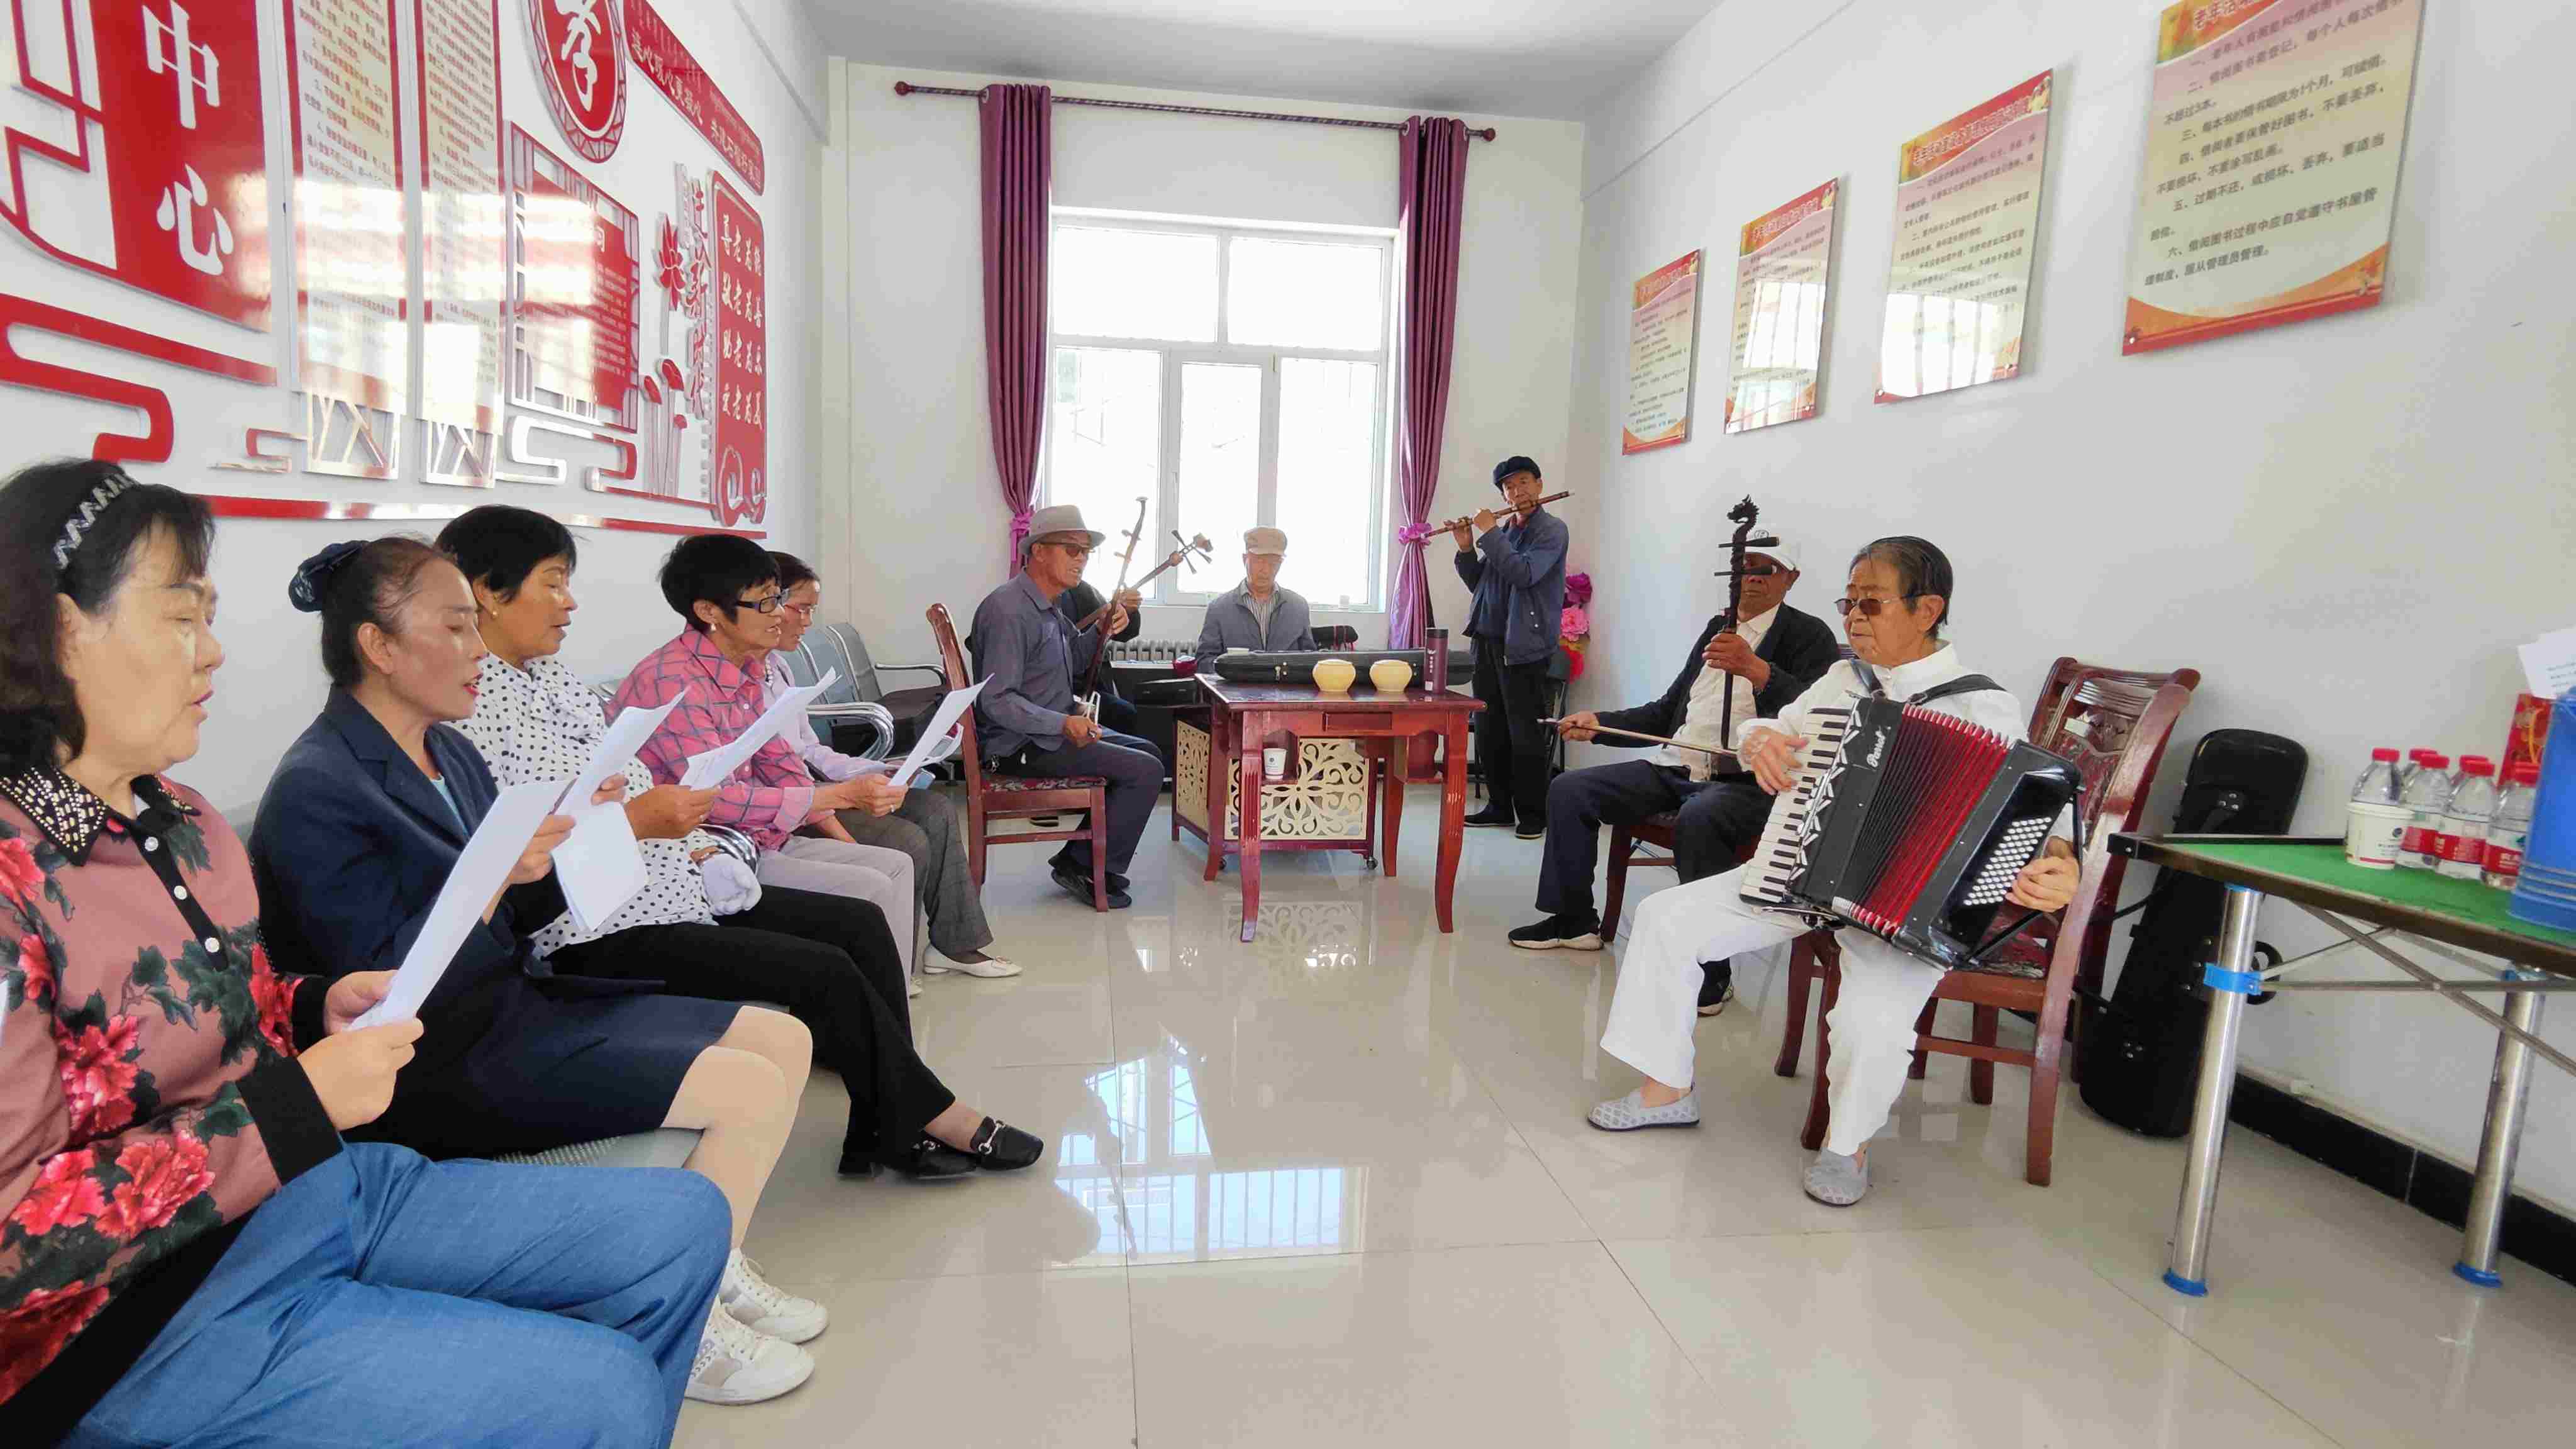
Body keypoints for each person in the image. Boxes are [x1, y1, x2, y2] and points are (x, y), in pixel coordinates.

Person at [0, 460, 729, 1446]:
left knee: (682, 1225)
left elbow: (222, 1010)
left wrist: (312, 1005)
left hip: (304, 1191)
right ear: (56, 632)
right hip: (135, 1324)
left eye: (210, 616)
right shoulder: (14, 874)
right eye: (180, 617)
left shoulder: (183, 820)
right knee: (601, 1390)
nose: (213, 651)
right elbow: (13, 1240)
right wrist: (293, 1109)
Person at [251, 536, 821, 1405]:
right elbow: (375, 990)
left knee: (784, 1038)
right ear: (379, 647)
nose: (476, 650)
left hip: (513, 1003)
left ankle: (716, 1266)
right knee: (744, 1089)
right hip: (432, 1060)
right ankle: (682, 1315)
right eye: (455, 628)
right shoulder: (318, 790)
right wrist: (493, 877)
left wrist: (563, 851)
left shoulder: (453, 754)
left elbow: (517, 914)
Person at [433, 508, 1043, 1186]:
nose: (570, 602)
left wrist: (689, 836)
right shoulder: (473, 703)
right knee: (825, 969)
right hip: (599, 920)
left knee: (861, 925)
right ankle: (925, 1117)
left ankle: (885, 1124)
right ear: (489, 592)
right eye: (553, 583)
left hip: (676, 876)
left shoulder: (553, 677)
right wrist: (640, 820)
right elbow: (531, 848)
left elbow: (663, 777)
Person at [1587, 538, 2082, 1211]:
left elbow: (2039, 814)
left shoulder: (1981, 705)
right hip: (1800, 873)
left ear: (1927, 609)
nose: (1852, 617)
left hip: (1904, 911)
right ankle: (1666, 1089)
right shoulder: (1844, 679)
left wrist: (2060, 863)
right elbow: (1771, 728)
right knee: (1665, 918)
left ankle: (1848, 1145)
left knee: (1872, 1017)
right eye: (1847, 603)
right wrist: (1761, 742)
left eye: (1870, 604)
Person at [1510, 537, 1841, 1015]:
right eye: (1744, 566)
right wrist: (1600, 724)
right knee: (1571, 789)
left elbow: (1813, 717)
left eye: (1767, 568)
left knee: (1702, 816)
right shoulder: (1717, 627)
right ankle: (1574, 921)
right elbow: (1668, 711)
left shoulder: (1809, 635)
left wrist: (1757, 670)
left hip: (1746, 783)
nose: (1751, 576)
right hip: (1679, 766)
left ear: (1791, 579)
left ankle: (1712, 971)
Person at [612, 536, 921, 977]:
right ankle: (873, 1002)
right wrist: (838, 796)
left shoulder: (749, 667)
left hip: (758, 837)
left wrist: (843, 804)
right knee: (869, 889)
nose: (779, 614)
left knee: (896, 866)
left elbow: (780, 762)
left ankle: (890, 998)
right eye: (764, 603)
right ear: (709, 611)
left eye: (777, 598)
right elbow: (712, 800)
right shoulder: (671, 681)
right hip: (705, 853)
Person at [765, 550, 1021, 979]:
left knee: (936, 809)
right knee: (908, 839)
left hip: (818, 790)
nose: (807, 622)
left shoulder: (777, 668)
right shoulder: (736, 683)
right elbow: (784, 778)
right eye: (801, 609)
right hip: (796, 808)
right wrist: (841, 805)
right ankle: (894, 965)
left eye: (811, 610)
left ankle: (956, 945)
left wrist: (873, 770)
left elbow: (810, 750)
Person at [969, 504, 1165, 909]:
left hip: (1045, 735)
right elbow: (996, 700)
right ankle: (1088, 868)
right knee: (1145, 771)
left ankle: (1078, 860)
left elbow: (1073, 660)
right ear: (1039, 551)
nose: (1082, 559)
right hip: (1020, 745)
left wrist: (1102, 629)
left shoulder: (1049, 604)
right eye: (1071, 549)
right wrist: (1061, 723)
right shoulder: (1009, 610)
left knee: (1149, 752)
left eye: (1086, 552)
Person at [1455, 455, 1568, 840]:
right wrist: (1467, 549)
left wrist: (1490, 534)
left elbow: (1524, 574)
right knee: (1491, 731)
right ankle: (1499, 806)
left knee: (1525, 733)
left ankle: (1534, 814)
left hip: (1523, 646)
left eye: (1523, 483)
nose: (1516, 492)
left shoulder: (1552, 531)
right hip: (1486, 642)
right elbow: (1482, 585)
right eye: (1508, 487)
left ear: (1539, 485)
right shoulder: (1505, 531)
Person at [1193, 527, 1317, 660]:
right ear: (1245, 559)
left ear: (1281, 564)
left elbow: (1309, 660)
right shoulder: (1219, 608)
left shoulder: (1298, 607)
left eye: (1273, 563)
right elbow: (1204, 660)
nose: (1266, 570)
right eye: (1259, 561)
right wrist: (1231, 670)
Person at [1056, 574, 1143, 735]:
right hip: (1054, 694)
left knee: (1127, 715)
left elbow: (1123, 633)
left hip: (1086, 689)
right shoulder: (1028, 601)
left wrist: (1127, 611)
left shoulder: (1082, 591)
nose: (1080, 563)